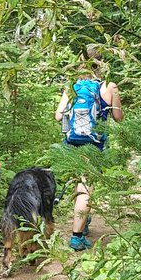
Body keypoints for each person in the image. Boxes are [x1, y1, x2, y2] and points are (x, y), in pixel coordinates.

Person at [54, 45, 122, 250]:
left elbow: (58, 115)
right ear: (102, 63)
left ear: (81, 62)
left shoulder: (72, 85)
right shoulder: (110, 86)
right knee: (85, 189)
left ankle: (82, 224)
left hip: (72, 143)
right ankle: (76, 237)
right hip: (94, 145)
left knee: (78, 186)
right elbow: (118, 117)